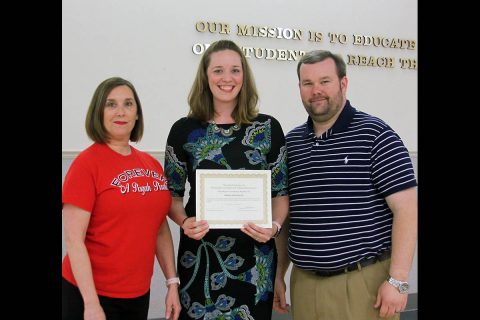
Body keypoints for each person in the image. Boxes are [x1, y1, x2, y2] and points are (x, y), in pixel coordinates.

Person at [273, 50, 417, 320]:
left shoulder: (376, 135)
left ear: (343, 83)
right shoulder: (291, 144)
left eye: (325, 81)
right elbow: (287, 218)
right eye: (308, 83)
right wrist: (278, 274)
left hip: (363, 285)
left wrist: (398, 280)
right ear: (300, 88)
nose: (316, 90)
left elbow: (407, 209)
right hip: (304, 285)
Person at [164, 39, 289, 320]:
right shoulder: (184, 130)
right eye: (218, 70)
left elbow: (281, 194)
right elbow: (171, 196)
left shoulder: (268, 128)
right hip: (200, 258)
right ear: (206, 77)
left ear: (244, 76)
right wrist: (184, 222)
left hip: (256, 259)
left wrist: (275, 227)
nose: (227, 78)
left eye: (235, 70)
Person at [62, 77, 181, 320]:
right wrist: (91, 305)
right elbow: (74, 241)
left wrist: (172, 283)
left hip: (138, 295)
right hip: (91, 296)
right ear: (99, 112)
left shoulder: (151, 164)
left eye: (128, 104)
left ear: (137, 114)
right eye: (111, 104)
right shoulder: (86, 165)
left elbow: (159, 228)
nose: (120, 112)